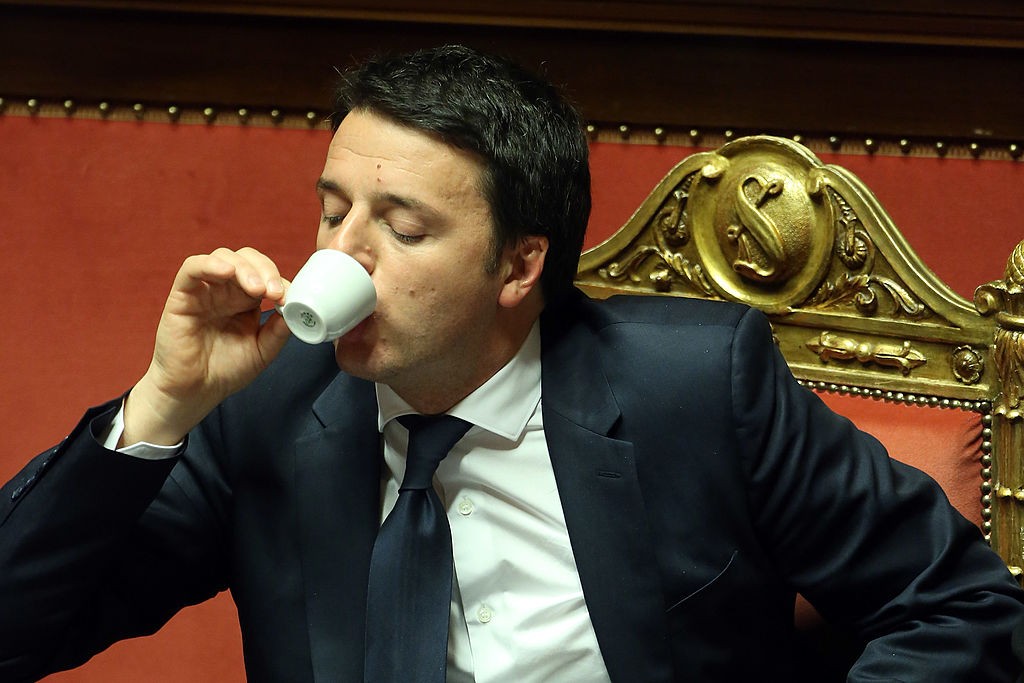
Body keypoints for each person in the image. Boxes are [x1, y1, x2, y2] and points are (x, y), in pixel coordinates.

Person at [0, 44, 1022, 683]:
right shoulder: (263, 405)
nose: (339, 256)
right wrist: (161, 405)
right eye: (332, 207)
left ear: (519, 263)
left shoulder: (697, 389)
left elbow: (961, 607)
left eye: (400, 227)